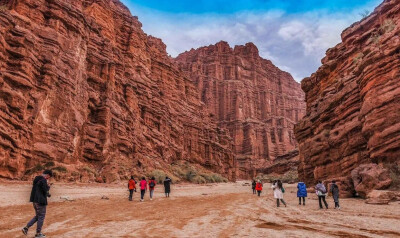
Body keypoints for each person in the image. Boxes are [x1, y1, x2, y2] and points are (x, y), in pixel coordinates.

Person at [22, 170, 53, 238]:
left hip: (34, 201)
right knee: (41, 217)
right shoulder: (43, 180)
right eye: (49, 177)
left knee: (38, 216)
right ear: (47, 175)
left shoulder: (37, 179)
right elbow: (45, 190)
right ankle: (38, 233)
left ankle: (26, 228)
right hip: (40, 201)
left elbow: (40, 189)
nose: (48, 178)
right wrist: (48, 186)